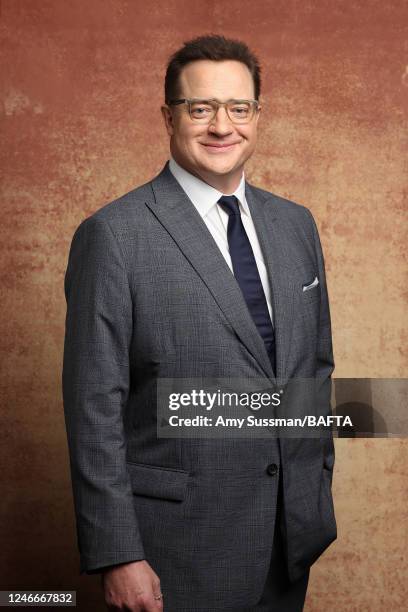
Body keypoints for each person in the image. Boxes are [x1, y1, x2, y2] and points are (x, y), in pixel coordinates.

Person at [62, 34, 337, 612]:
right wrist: (118, 554)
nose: (222, 126)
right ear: (169, 115)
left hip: (288, 540)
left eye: (239, 108)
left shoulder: (296, 225)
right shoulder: (114, 236)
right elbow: (94, 407)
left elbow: (313, 365)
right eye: (200, 108)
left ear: (258, 116)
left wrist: (313, 487)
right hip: (174, 553)